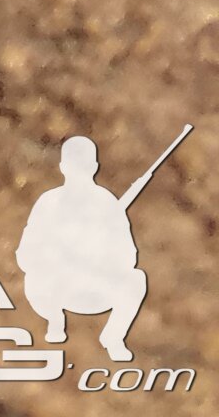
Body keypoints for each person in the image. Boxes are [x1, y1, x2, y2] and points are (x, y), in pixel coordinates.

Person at [19, 134, 152, 361]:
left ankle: (113, 337)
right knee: (36, 279)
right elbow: (24, 255)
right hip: (54, 289)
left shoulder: (108, 204)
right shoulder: (48, 203)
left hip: (95, 288)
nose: (78, 171)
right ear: (63, 167)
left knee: (136, 280)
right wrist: (54, 257)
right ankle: (55, 320)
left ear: (93, 167)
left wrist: (101, 255)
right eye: (74, 165)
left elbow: (129, 256)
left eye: (83, 165)